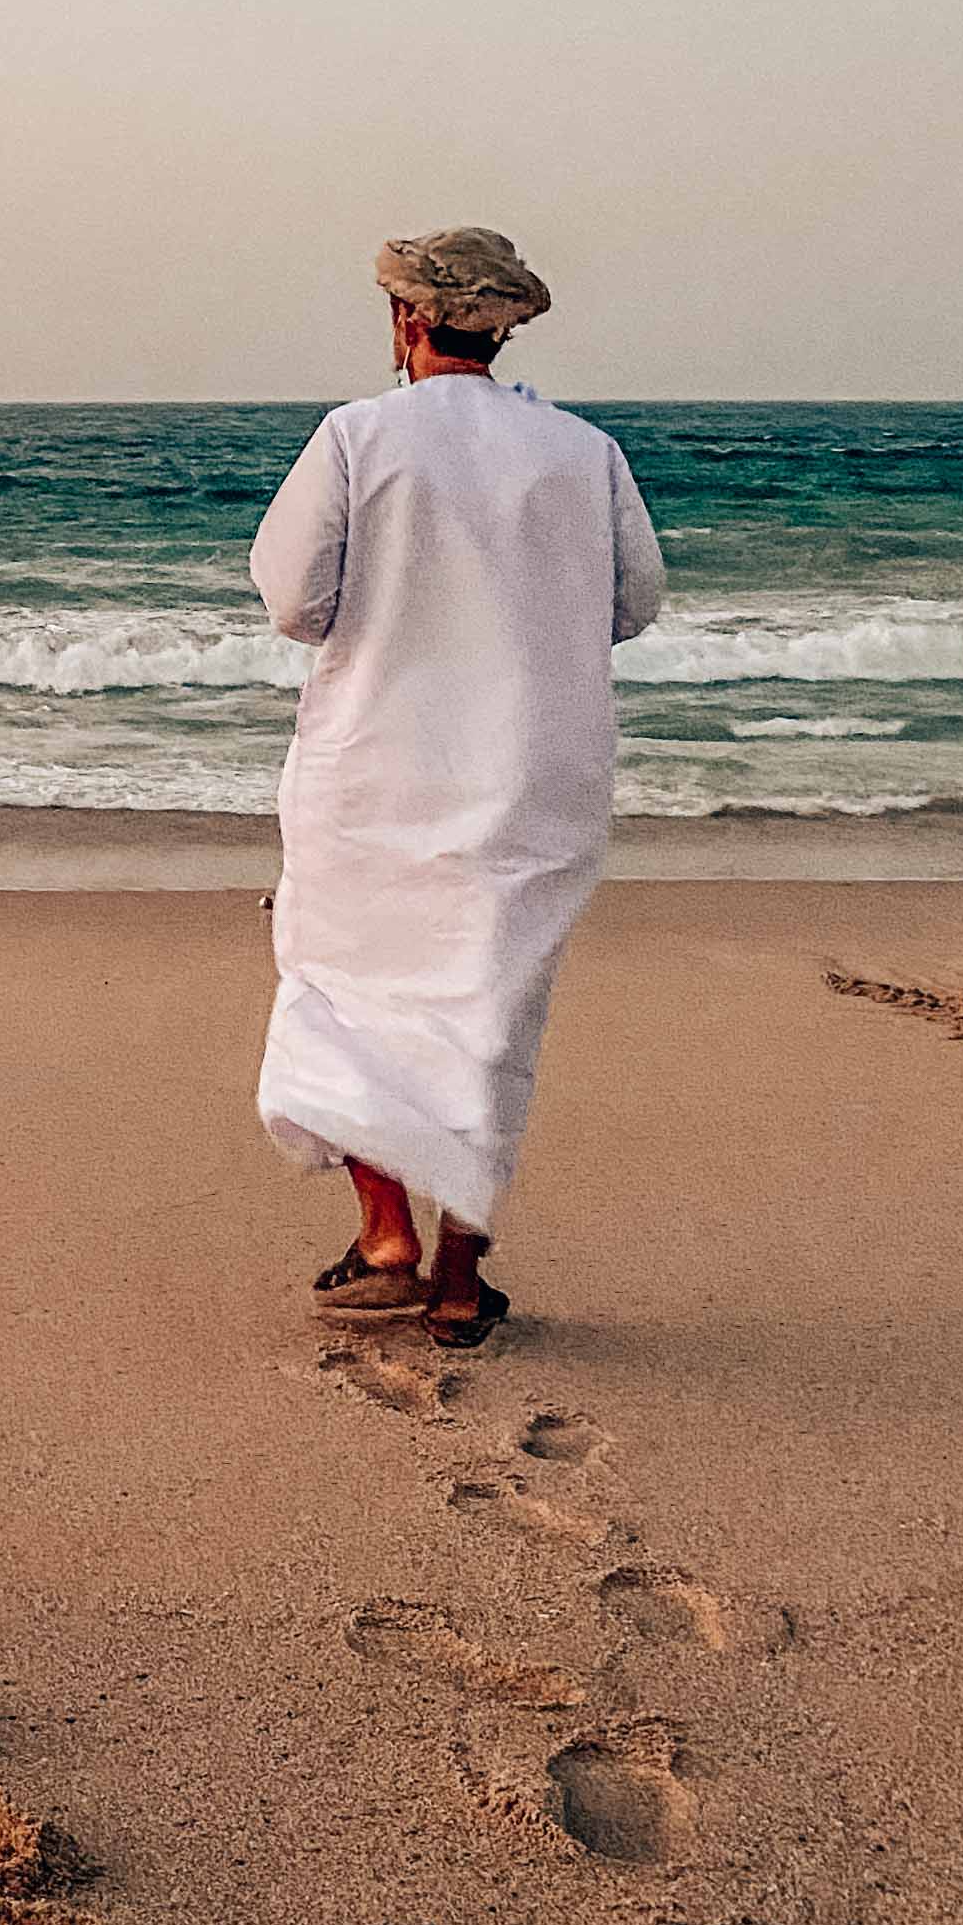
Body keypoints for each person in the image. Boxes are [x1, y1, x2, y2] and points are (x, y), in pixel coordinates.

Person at [249, 227, 665, 1348]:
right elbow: (635, 603)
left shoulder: (357, 436)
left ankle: (384, 1232)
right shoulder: (585, 452)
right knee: (490, 1016)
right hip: (532, 773)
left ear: (406, 322)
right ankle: (459, 1279)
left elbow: (293, 599)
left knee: (345, 989)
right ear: (501, 327)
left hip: (375, 764)